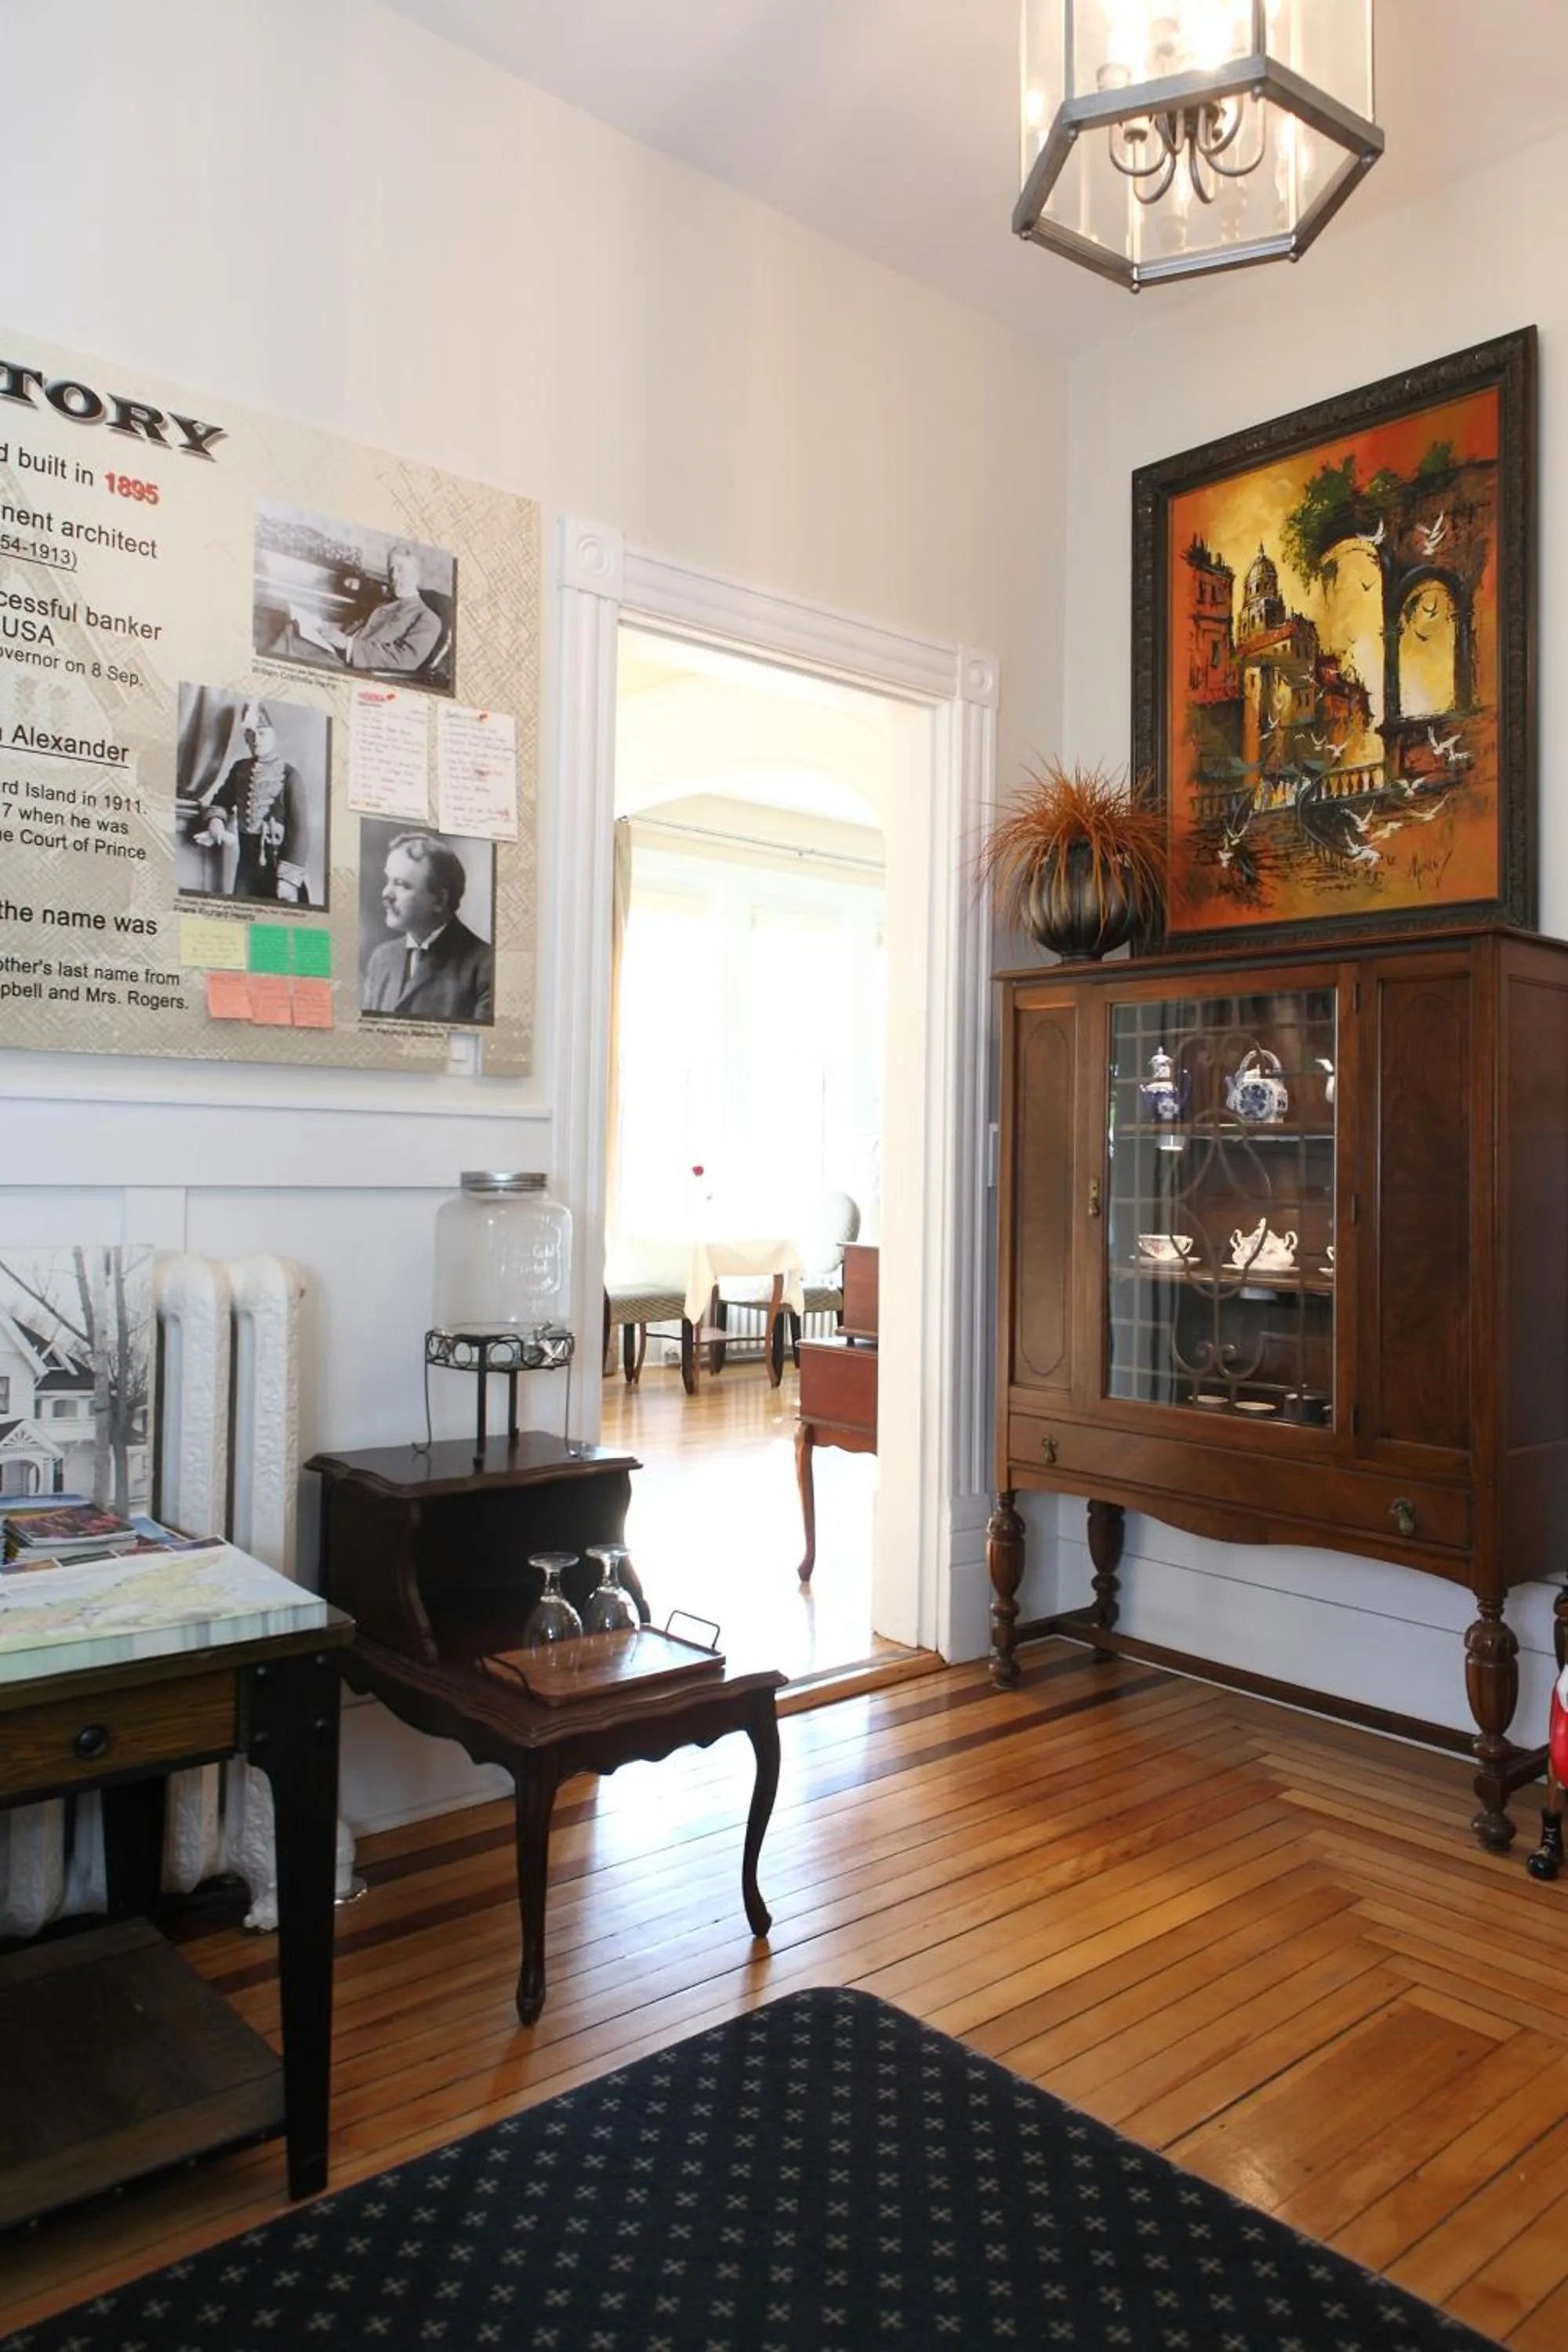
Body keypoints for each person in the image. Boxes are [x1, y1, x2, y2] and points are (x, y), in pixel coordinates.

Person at [361, 831, 493, 1025]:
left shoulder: (485, 967)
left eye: (402, 885)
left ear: (439, 900)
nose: (386, 894)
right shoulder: (381, 958)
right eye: (388, 880)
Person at [190, 700, 309, 903]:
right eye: (250, 734)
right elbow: (221, 801)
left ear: (273, 735)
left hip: (278, 865)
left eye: (262, 733)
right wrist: (216, 822)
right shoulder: (240, 769)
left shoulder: (290, 775)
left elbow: (300, 830)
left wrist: (288, 880)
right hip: (246, 867)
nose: (256, 740)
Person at [275, 540, 444, 677]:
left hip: (357, 668)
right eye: (391, 569)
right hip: (337, 651)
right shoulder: (385, 602)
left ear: (416, 575)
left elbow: (403, 661)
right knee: (290, 630)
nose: (394, 576)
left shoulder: (427, 619)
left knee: (288, 653)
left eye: (400, 569)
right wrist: (325, 626)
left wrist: (348, 644)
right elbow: (357, 627)